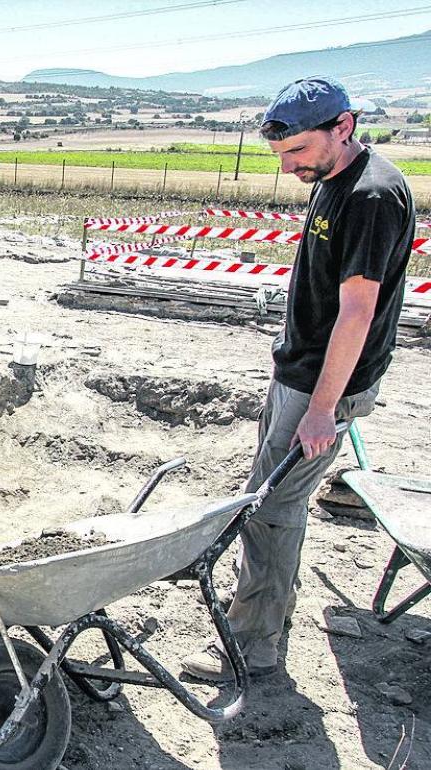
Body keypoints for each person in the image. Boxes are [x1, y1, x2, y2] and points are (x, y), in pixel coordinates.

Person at [181, 76, 415, 682]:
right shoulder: (333, 179)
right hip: (303, 373)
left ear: (344, 127)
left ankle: (252, 645)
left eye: (298, 152)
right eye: (281, 156)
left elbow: (358, 311)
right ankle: (267, 619)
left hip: (321, 387)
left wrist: (321, 408)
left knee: (271, 507)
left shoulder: (369, 197)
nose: (289, 167)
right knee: (269, 499)